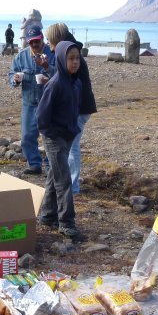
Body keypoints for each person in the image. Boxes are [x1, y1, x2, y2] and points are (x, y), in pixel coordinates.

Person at [36, 41, 82, 238]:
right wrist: (52, 135)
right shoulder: (55, 84)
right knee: (64, 179)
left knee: (55, 175)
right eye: (71, 59)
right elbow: (41, 116)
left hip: (67, 135)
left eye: (77, 58)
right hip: (54, 138)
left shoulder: (75, 82)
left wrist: (72, 130)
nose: (75, 62)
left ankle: (47, 214)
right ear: (62, 60)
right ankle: (66, 222)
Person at [44, 23, 97, 194]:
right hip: (80, 106)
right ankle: (69, 184)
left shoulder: (71, 55)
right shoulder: (73, 52)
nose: (48, 45)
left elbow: (70, 80)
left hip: (79, 108)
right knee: (70, 146)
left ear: (56, 39)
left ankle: (72, 186)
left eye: (49, 40)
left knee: (72, 146)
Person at [8, 25, 54, 175]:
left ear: (42, 39)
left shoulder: (52, 54)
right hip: (29, 102)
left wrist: (47, 69)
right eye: (31, 42)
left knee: (50, 136)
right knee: (27, 136)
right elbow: (11, 74)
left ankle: (50, 166)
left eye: (37, 41)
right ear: (27, 42)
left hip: (48, 103)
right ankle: (34, 164)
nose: (34, 45)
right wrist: (14, 80)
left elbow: (61, 74)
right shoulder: (21, 57)